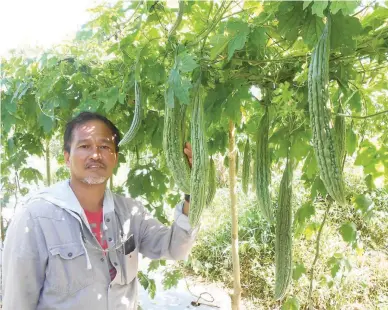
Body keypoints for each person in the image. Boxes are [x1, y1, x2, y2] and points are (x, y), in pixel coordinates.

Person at [2, 112, 197, 310]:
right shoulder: (34, 218)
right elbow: (17, 301)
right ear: (67, 157)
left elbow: (176, 248)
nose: (95, 154)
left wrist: (193, 188)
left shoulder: (131, 213)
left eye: (104, 146)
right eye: (84, 146)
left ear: (115, 157)